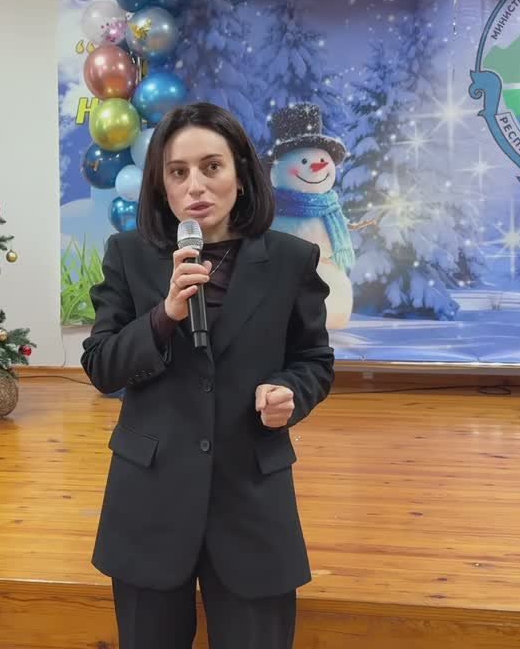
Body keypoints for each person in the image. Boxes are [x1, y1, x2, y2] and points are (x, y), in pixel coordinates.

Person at [81, 102, 335, 649]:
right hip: (149, 502)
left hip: (252, 502)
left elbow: (314, 360)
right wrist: (164, 315)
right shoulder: (129, 255)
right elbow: (102, 366)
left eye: (211, 166)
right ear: (162, 186)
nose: (195, 185)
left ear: (241, 174)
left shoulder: (292, 259)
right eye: (178, 172)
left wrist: (291, 393)